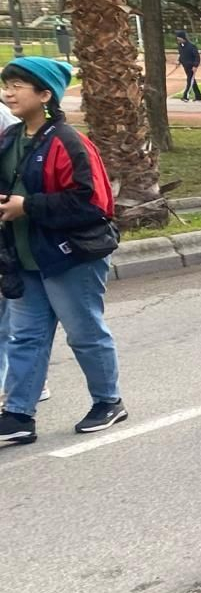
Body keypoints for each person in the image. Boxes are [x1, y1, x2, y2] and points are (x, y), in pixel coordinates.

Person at [0, 57, 123, 443]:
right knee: (26, 337)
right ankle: (19, 414)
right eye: (7, 84)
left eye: (18, 85)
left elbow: (91, 202)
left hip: (71, 257)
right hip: (25, 258)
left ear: (45, 93)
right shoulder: (9, 140)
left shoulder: (69, 142)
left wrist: (27, 206)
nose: (8, 92)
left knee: (84, 332)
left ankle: (108, 402)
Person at [175, 29, 201, 101]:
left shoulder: (192, 46)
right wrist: (179, 62)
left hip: (191, 67)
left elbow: (197, 57)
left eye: (179, 38)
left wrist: (195, 66)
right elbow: (181, 55)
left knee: (189, 81)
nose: (177, 39)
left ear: (182, 37)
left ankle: (185, 96)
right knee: (192, 81)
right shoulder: (180, 46)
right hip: (185, 66)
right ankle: (198, 97)